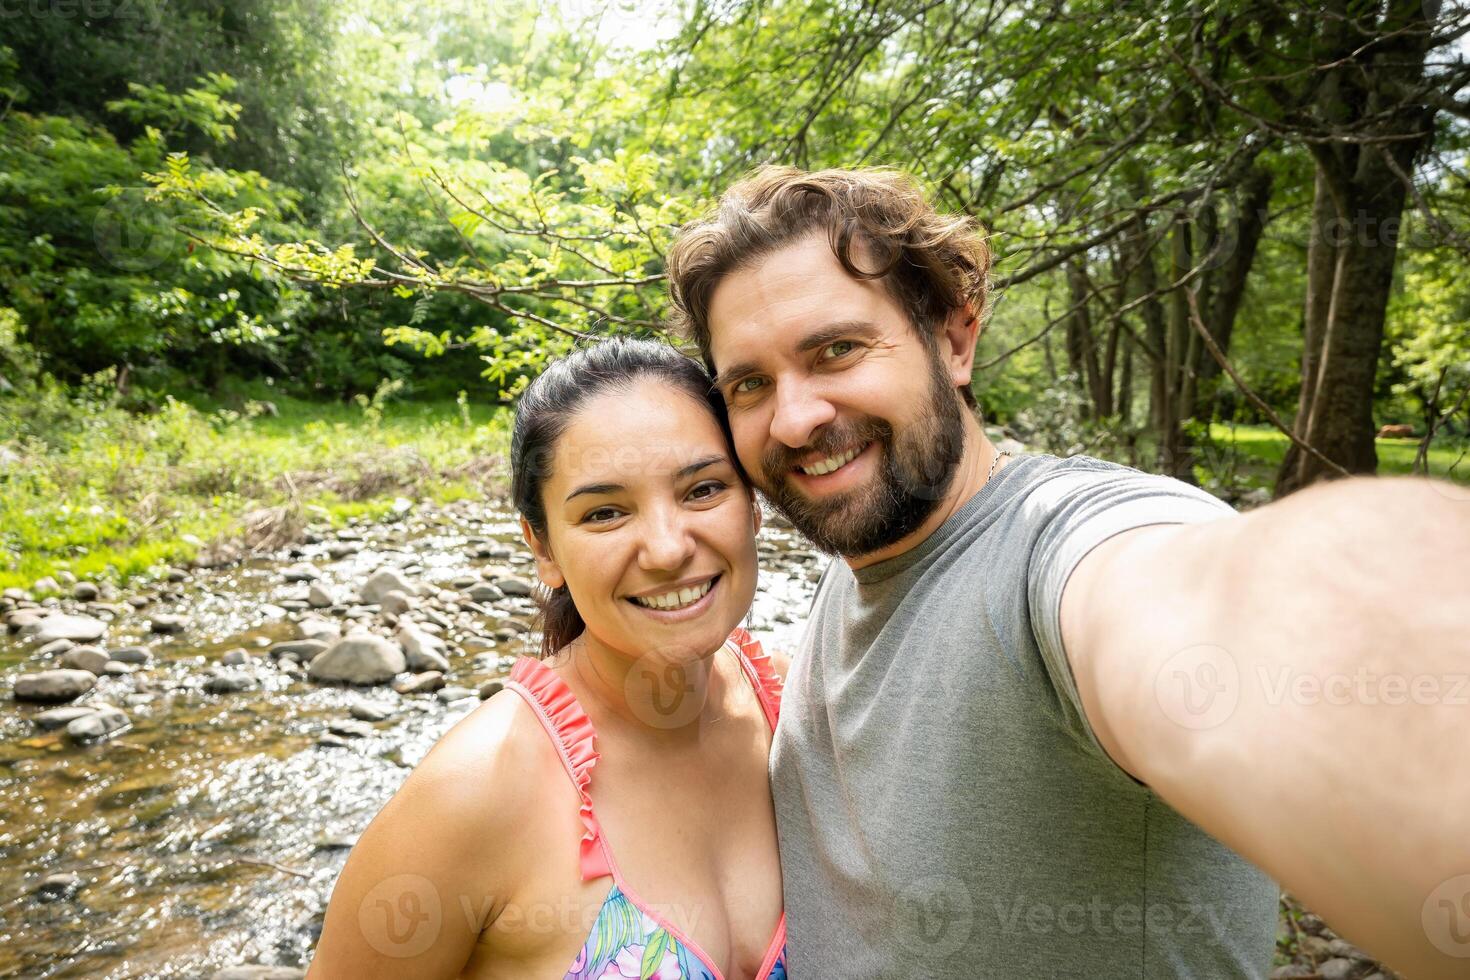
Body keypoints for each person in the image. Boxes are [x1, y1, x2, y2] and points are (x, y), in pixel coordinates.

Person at [665, 166, 1470, 979]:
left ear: (953, 338)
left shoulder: (1063, 552)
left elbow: (1232, 607)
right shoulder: (861, 569)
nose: (797, 418)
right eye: (752, 384)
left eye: (837, 350)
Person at [306, 338, 789, 979]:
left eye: (702, 490)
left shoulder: (794, 709)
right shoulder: (473, 796)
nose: (669, 549)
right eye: (605, 512)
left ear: (752, 503)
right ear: (544, 549)